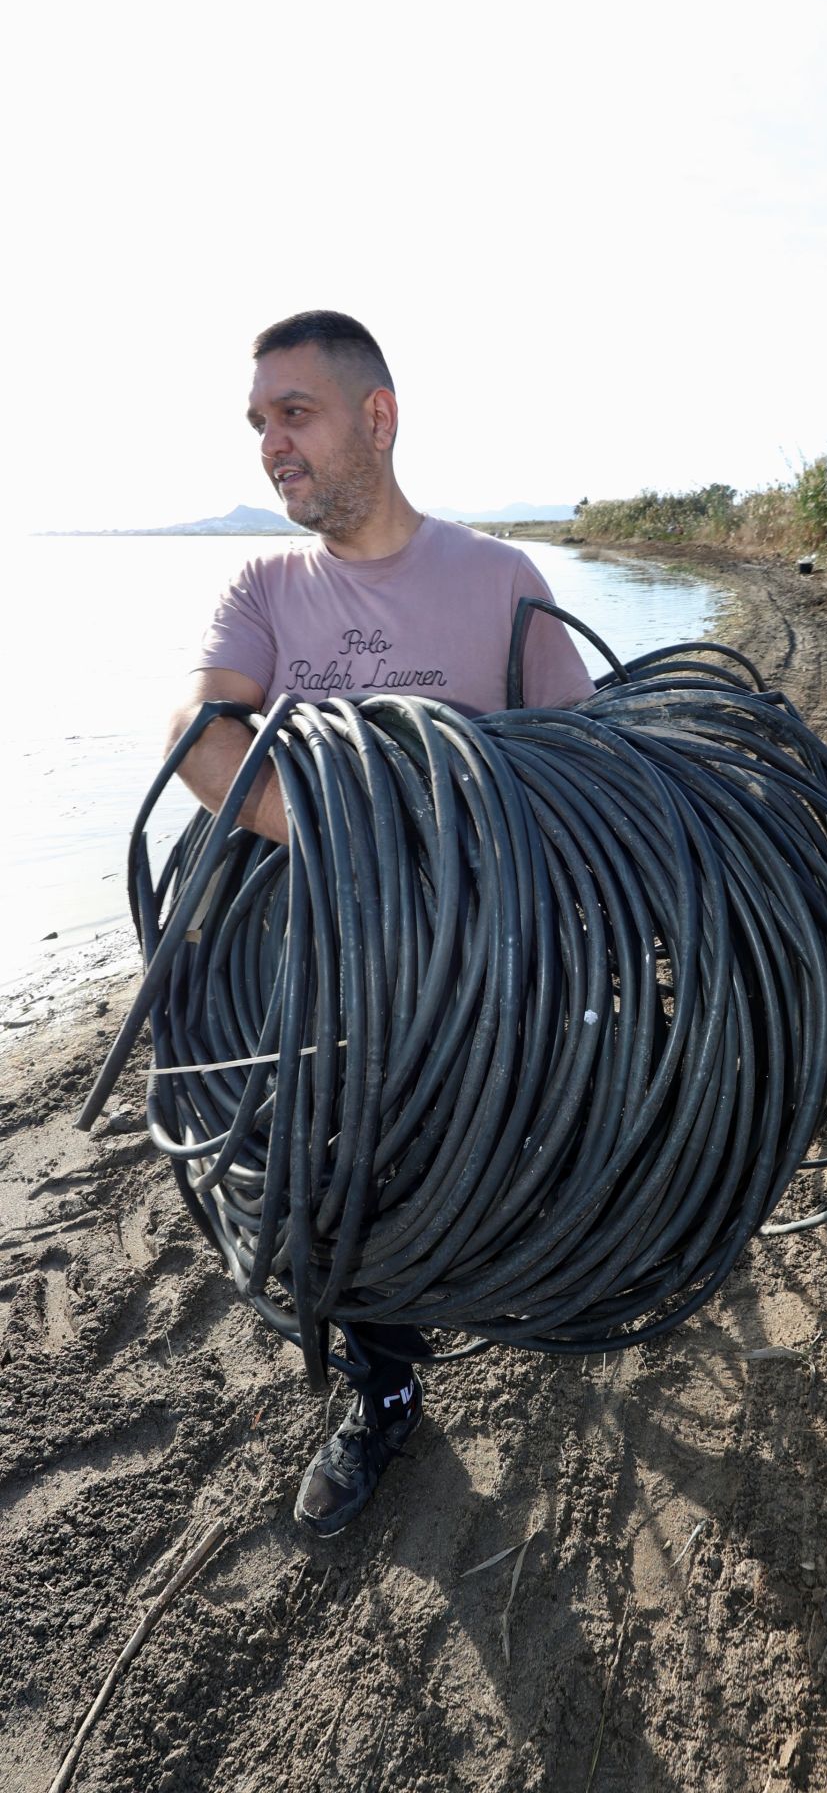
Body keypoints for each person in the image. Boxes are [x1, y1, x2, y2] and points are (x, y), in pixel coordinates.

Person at [166, 311, 596, 1536]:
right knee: (326, 1185)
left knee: (492, 1156)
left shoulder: (503, 582)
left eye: (292, 414)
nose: (269, 445)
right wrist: (354, 835)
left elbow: (586, 773)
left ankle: (534, 1270)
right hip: (320, 978)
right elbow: (202, 740)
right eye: (258, 423)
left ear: (378, 417)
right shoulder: (262, 583)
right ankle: (385, 1384)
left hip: (477, 974)